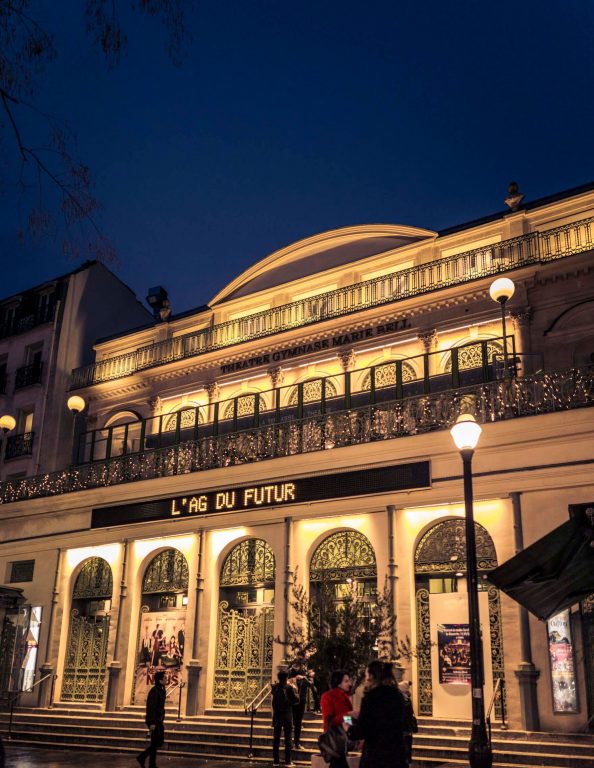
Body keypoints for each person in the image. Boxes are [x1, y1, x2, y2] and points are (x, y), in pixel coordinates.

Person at [352, 661, 407, 768]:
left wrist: (347, 724)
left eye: (366, 675)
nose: (365, 679)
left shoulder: (371, 698)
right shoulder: (397, 695)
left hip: (376, 756)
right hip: (396, 755)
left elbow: (361, 730)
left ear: (371, 676)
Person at [137, 670, 166, 768]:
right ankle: (150, 763)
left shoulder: (161, 690)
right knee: (155, 742)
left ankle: (143, 757)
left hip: (158, 720)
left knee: (158, 742)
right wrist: (152, 723)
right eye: (165, 678)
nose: (166, 679)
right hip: (154, 720)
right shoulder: (154, 691)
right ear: (160, 680)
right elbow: (151, 707)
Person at [271, 670, 298, 768]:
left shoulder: (275, 688)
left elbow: (274, 703)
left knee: (276, 739)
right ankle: (288, 761)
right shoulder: (289, 688)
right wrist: (295, 689)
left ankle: (276, 761)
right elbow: (296, 700)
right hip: (287, 716)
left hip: (277, 716)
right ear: (286, 677)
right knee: (288, 739)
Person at [398, 679, 418, 766]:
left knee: (406, 746)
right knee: (406, 746)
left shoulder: (404, 699)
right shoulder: (405, 699)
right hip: (406, 728)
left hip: (405, 727)